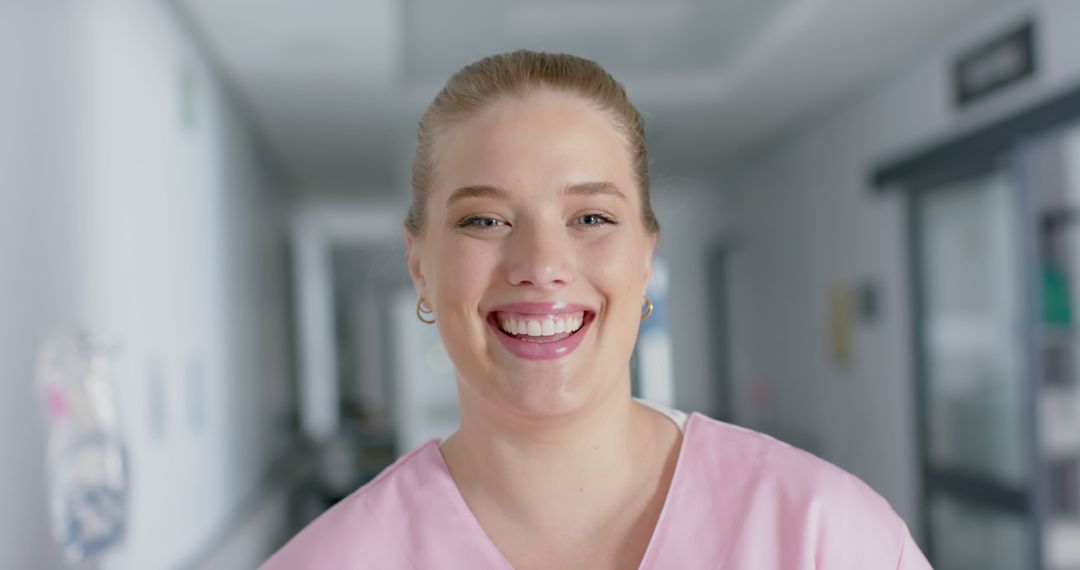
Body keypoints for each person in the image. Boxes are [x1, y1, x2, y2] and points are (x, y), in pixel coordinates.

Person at [260, 50, 932, 569]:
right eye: (485, 220)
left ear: (645, 256)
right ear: (419, 267)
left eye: (590, 215)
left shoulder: (824, 537)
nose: (540, 264)